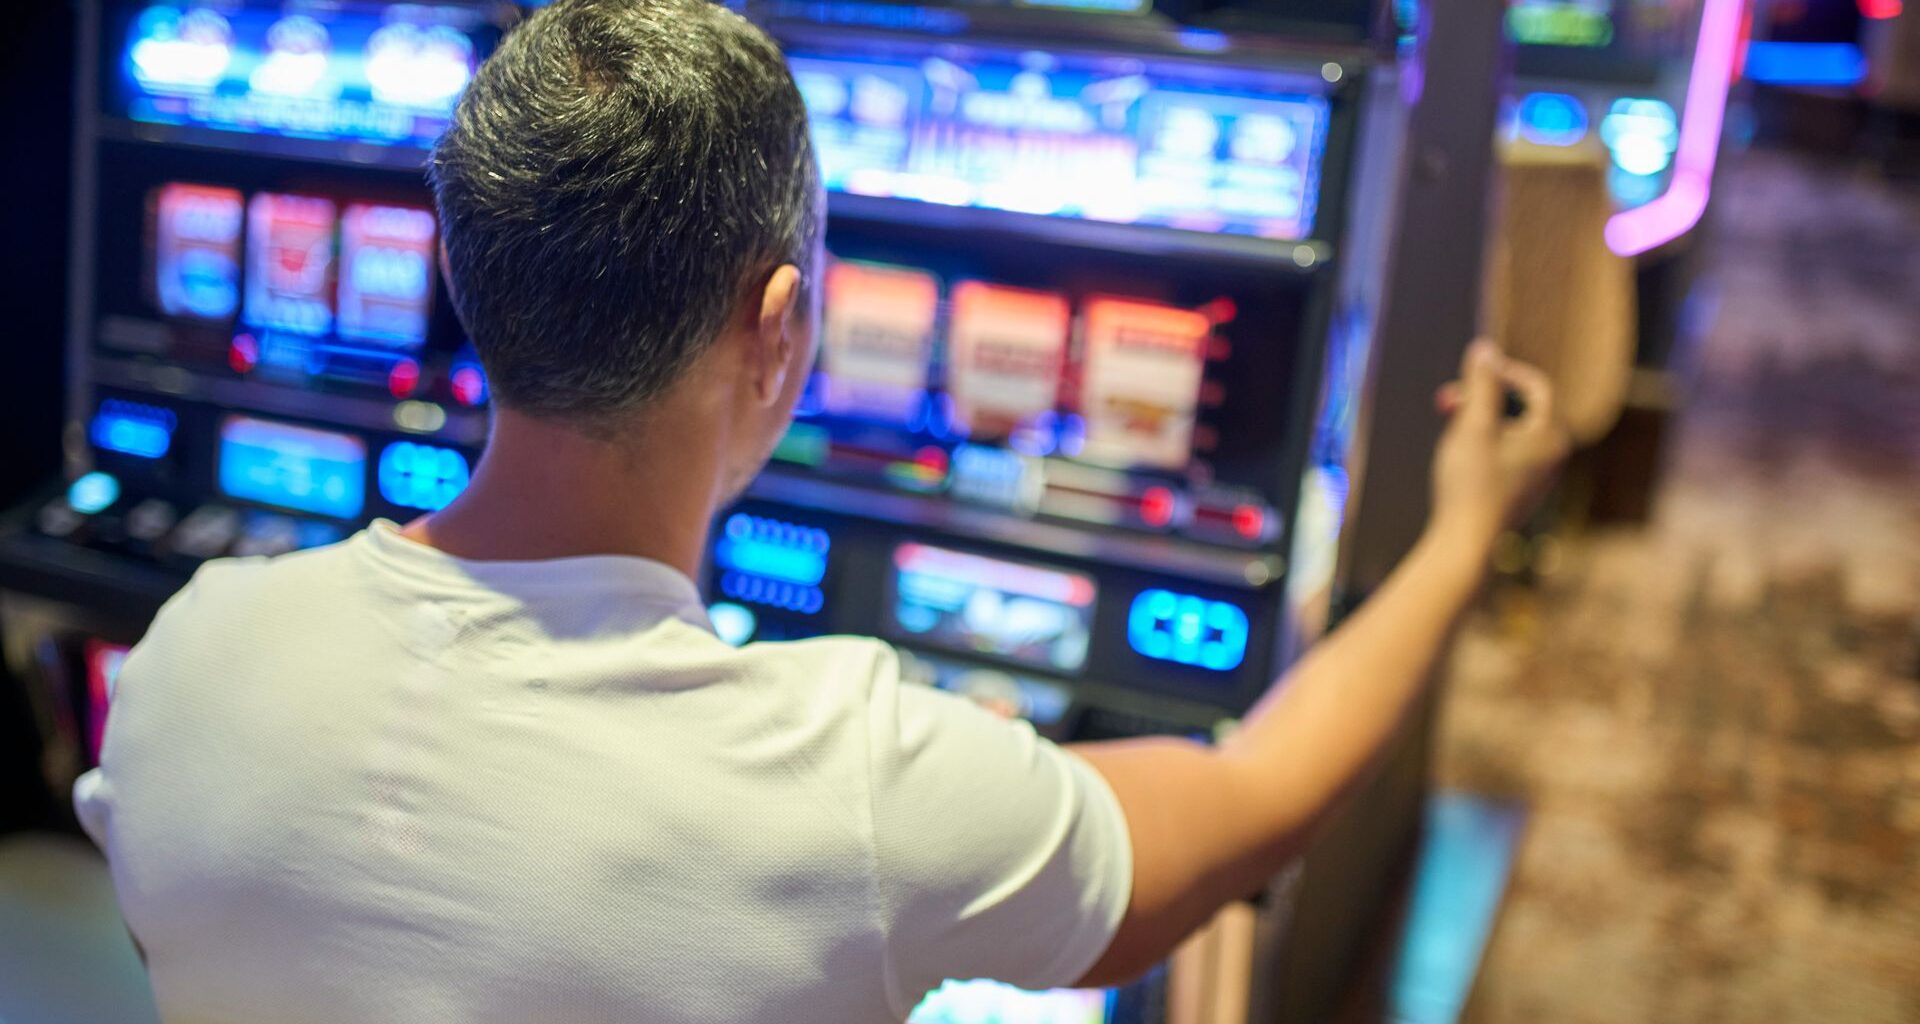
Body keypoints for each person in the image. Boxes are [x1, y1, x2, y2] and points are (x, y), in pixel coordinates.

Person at [74, 2, 1569, 1021]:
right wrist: (1461, 537)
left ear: (458, 273)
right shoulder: (855, 777)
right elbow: (1258, 796)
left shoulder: (192, 657)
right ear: (779, 326)